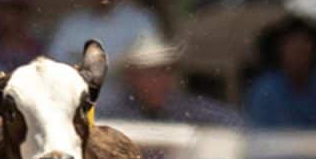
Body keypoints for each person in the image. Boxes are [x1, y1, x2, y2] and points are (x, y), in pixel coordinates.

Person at [44, 0, 160, 82]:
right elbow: (55, 63)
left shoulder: (140, 20)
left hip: (126, 99)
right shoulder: (71, 24)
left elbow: (152, 64)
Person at [97, 34, 243, 126]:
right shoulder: (112, 112)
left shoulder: (187, 108)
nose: (159, 80)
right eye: (150, 73)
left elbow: (232, 120)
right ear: (130, 77)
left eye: (165, 72)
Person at [244, 16, 316, 129]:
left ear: (315, 50)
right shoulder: (265, 90)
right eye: (293, 47)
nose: (299, 54)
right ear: (279, 51)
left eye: (304, 47)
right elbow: (262, 133)